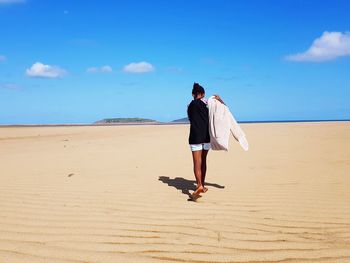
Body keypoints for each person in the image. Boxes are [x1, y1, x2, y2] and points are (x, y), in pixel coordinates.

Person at [187, 83, 224, 198]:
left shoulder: (189, 105)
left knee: (196, 162)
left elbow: (190, 118)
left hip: (195, 137)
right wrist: (220, 100)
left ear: (193, 94)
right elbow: (221, 110)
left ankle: (199, 185)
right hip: (206, 137)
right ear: (203, 94)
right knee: (203, 161)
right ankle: (202, 184)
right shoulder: (208, 103)